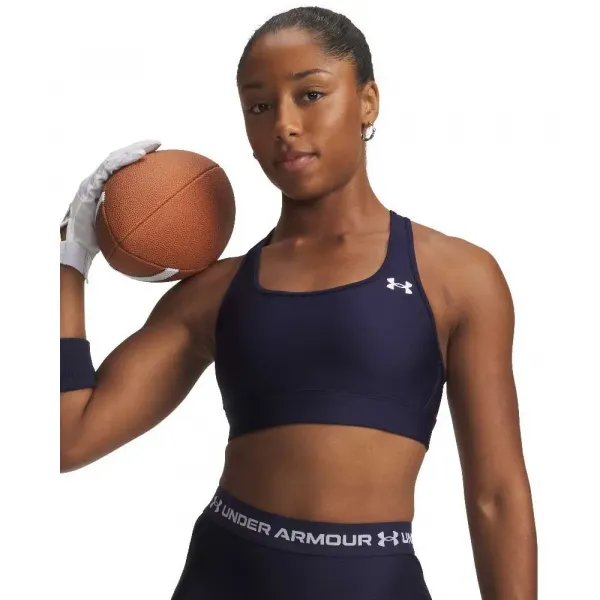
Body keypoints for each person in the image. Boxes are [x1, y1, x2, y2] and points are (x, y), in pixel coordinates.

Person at [60, 6, 537, 599]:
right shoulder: (215, 292)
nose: (284, 124)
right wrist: (70, 261)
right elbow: (68, 436)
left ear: (367, 102)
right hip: (224, 578)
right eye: (259, 106)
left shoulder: (457, 277)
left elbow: (496, 496)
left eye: (310, 95)